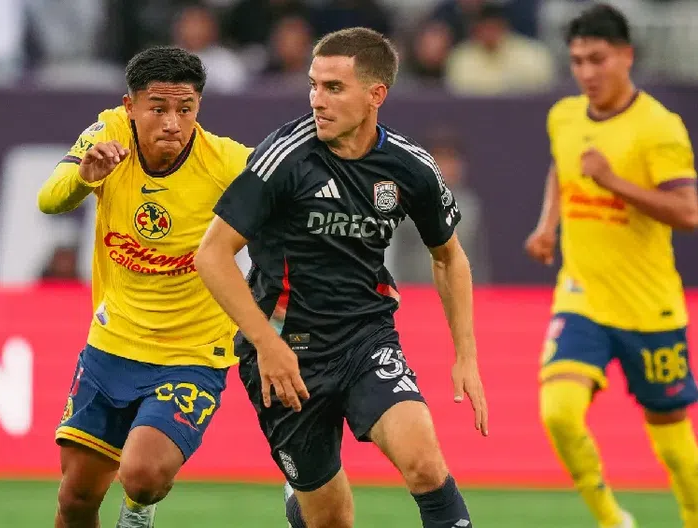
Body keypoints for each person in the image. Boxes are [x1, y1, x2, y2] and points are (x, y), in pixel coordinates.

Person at [195, 27, 488, 528]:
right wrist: (266, 344)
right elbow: (212, 255)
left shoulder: (410, 167)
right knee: (331, 519)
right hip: (286, 352)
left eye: (334, 88)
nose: (317, 100)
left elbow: (449, 257)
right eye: (313, 85)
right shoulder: (284, 157)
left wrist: (466, 354)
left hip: (365, 339)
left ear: (376, 95)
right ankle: (301, 496)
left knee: (424, 465)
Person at [37, 46, 251, 528]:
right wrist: (83, 177)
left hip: (192, 353)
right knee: (75, 499)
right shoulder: (109, 135)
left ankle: (138, 511)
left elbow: (291, 206)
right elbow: (49, 200)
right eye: (158, 109)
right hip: (112, 345)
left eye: (185, 109)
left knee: (142, 474)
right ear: (130, 106)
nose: (173, 123)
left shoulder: (228, 162)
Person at [524, 4, 698, 528]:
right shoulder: (565, 115)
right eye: (577, 61)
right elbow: (563, 166)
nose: (586, 72)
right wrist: (547, 225)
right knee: (558, 412)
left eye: (597, 59)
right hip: (582, 296)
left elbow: (688, 212)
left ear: (626, 56)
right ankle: (611, 520)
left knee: (672, 442)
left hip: (648, 307)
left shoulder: (659, 128)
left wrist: (613, 182)